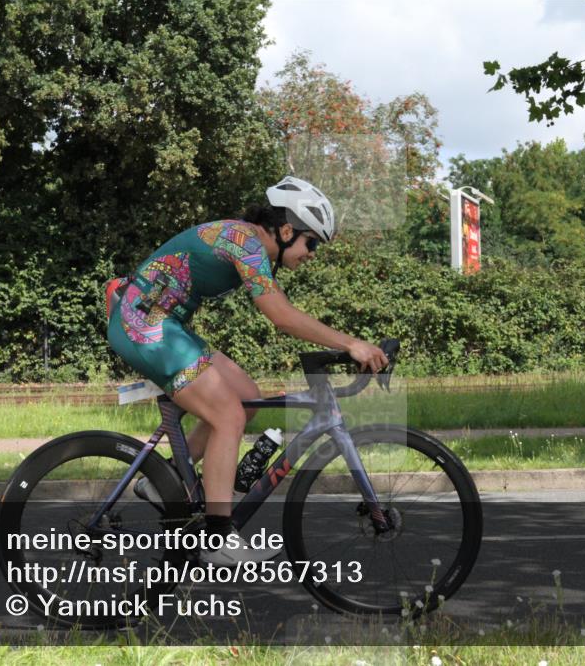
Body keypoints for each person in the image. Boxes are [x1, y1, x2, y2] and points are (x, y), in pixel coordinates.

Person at [106, 176, 389, 566]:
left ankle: (164, 481)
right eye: (312, 243)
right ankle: (218, 538)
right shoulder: (247, 242)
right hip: (145, 324)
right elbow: (281, 316)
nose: (312, 254)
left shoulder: (250, 242)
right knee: (228, 414)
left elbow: (282, 309)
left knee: (246, 395)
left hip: (161, 322)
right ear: (287, 230)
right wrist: (350, 343)